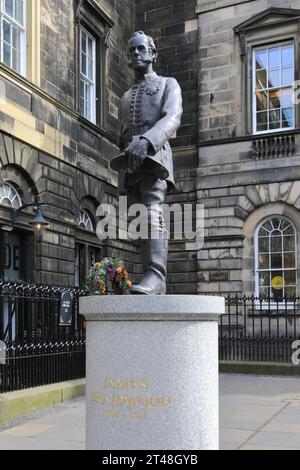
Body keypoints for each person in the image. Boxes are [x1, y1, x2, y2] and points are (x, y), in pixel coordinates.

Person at [111, 31, 183, 294]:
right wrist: (125, 155)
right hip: (133, 164)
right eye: (132, 51)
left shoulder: (167, 84)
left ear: (153, 53)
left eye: (141, 49)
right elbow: (122, 133)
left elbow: (172, 118)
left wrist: (148, 141)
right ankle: (152, 280)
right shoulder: (126, 96)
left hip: (155, 158)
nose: (136, 54)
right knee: (140, 219)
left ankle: (156, 275)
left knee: (153, 211)